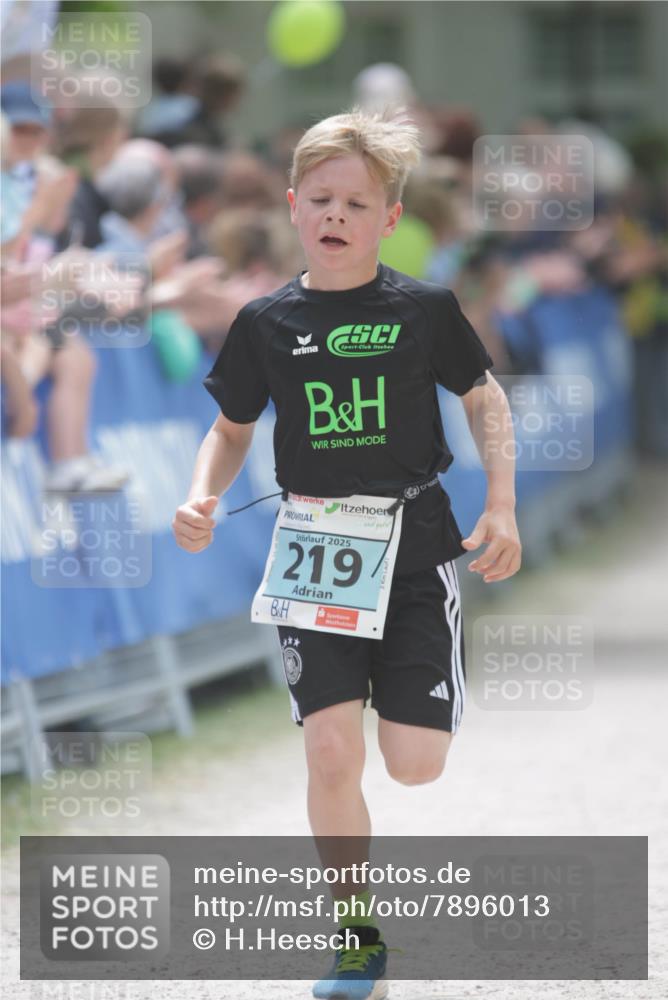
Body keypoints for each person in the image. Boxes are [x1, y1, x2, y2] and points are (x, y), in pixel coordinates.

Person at [173, 107, 521, 1000]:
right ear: (292, 207)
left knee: (413, 763)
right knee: (331, 753)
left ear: (390, 218)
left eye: (356, 203)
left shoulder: (424, 309)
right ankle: (357, 939)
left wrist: (505, 505)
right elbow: (228, 428)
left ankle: (415, 690)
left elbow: (485, 400)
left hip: (416, 546)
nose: (336, 214)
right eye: (320, 198)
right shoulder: (263, 320)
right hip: (314, 547)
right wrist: (202, 491)